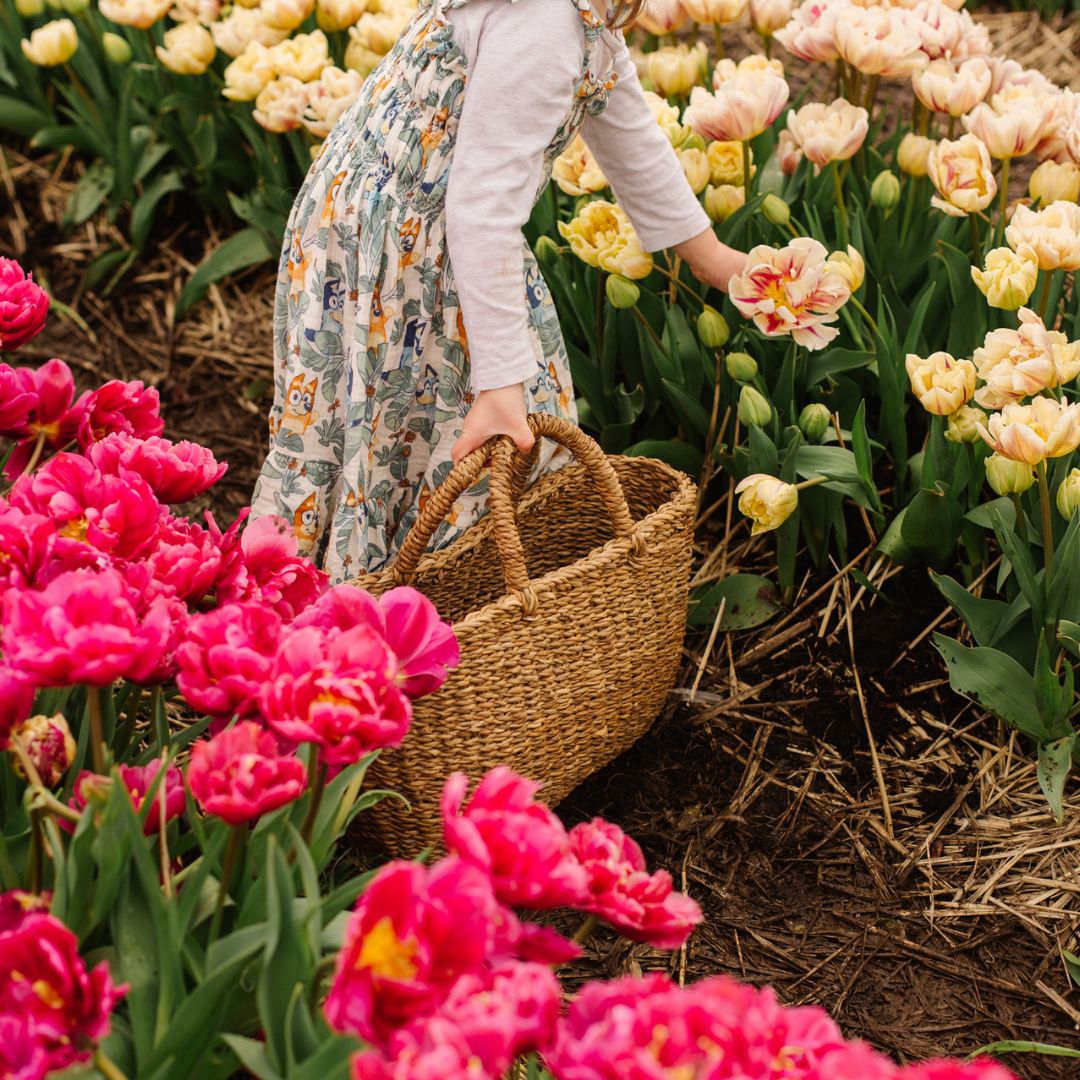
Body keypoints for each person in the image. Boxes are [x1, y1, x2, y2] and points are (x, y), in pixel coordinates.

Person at [250, 0, 746, 583]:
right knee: (451, 433)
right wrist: (502, 384)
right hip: (415, 256)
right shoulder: (541, 24)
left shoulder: (569, 15)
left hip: (376, 229)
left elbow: (626, 127)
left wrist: (712, 259)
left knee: (379, 422)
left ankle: (343, 578)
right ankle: (417, 596)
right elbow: (482, 212)